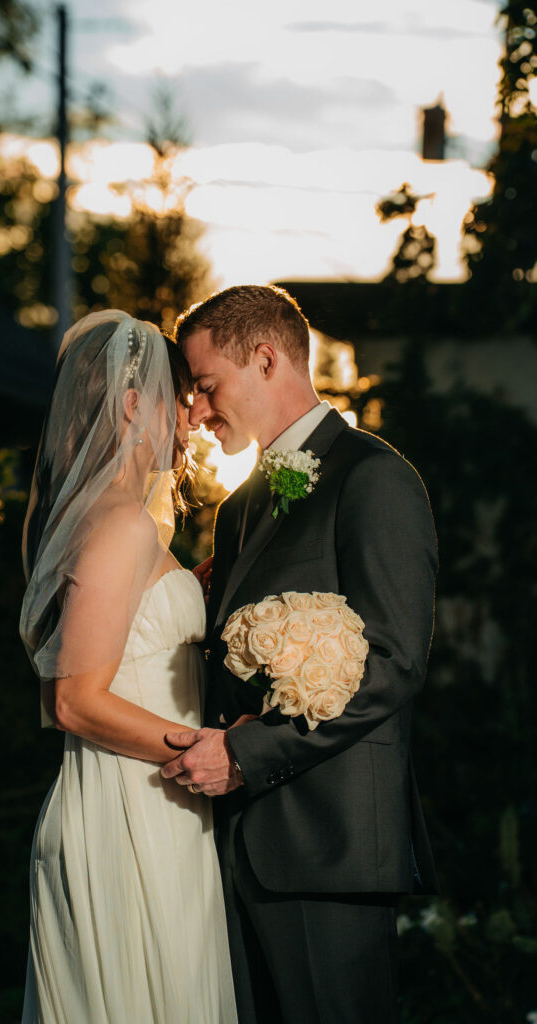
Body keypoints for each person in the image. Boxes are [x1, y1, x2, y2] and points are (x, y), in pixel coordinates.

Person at [162, 285, 438, 1024]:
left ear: (264, 358)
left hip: (328, 843)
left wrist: (246, 754)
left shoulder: (374, 479)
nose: (197, 409)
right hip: (232, 843)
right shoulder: (237, 506)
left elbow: (391, 660)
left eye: (206, 385)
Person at [19, 310, 237, 1024]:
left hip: (153, 801)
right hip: (131, 805)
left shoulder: (121, 516)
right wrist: (211, 753)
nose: (190, 418)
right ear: (132, 401)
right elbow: (74, 702)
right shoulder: (118, 523)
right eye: (179, 399)